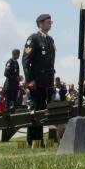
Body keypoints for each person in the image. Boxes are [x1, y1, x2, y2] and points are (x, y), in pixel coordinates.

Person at [23, 13, 56, 145]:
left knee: (43, 111)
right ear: (41, 23)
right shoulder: (33, 39)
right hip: (36, 82)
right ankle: (33, 141)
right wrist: (30, 81)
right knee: (35, 111)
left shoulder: (50, 40)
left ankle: (40, 140)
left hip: (46, 82)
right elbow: (25, 61)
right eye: (48, 22)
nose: (50, 24)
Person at [3, 48, 21, 113]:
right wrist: (15, 78)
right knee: (8, 103)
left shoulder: (16, 62)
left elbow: (16, 74)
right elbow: (6, 73)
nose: (19, 55)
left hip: (14, 86)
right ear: (15, 54)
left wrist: (19, 78)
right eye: (18, 54)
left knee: (14, 103)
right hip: (9, 86)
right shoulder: (10, 62)